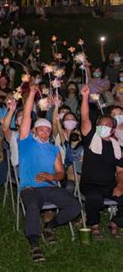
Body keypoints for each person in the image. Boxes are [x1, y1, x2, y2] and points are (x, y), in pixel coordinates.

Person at [18, 85, 80, 262]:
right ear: (34, 131)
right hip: (30, 188)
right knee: (32, 207)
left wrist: (51, 176)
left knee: (75, 206)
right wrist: (31, 94)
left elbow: (61, 173)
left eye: (47, 130)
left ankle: (50, 225)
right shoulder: (26, 143)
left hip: (50, 187)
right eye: (41, 130)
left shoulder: (54, 150)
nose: (45, 133)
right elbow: (27, 117)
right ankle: (35, 243)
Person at [79, 85, 123, 239]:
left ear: (113, 130)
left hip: (109, 184)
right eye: (101, 125)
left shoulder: (117, 147)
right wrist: (85, 97)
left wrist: (119, 185)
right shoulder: (91, 139)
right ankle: (95, 225)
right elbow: (85, 118)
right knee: (93, 198)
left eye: (108, 125)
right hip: (90, 184)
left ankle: (115, 222)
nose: (104, 127)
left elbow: (120, 171)